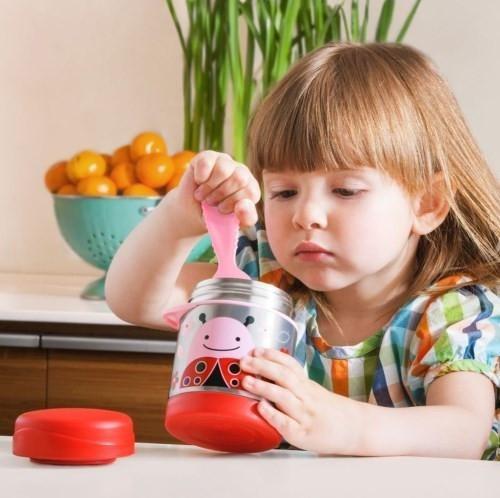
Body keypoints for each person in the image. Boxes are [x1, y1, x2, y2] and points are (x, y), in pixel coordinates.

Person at [105, 42, 500, 460]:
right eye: (284, 192)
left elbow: (463, 432)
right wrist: (176, 219)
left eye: (345, 191)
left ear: (427, 205)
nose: (306, 215)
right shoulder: (264, 278)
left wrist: (346, 426)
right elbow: (136, 303)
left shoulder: (451, 311)